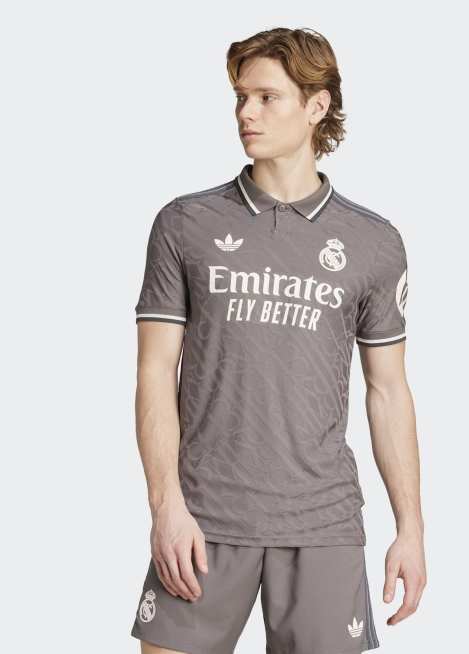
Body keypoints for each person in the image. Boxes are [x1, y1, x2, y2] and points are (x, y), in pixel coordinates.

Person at [130, 26, 426, 654]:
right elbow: (154, 371)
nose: (246, 112)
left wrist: (411, 527)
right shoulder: (185, 224)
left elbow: (388, 391)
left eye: (267, 98)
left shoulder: (374, 242)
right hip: (203, 520)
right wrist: (165, 506)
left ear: (317, 106)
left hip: (322, 525)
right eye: (241, 97)